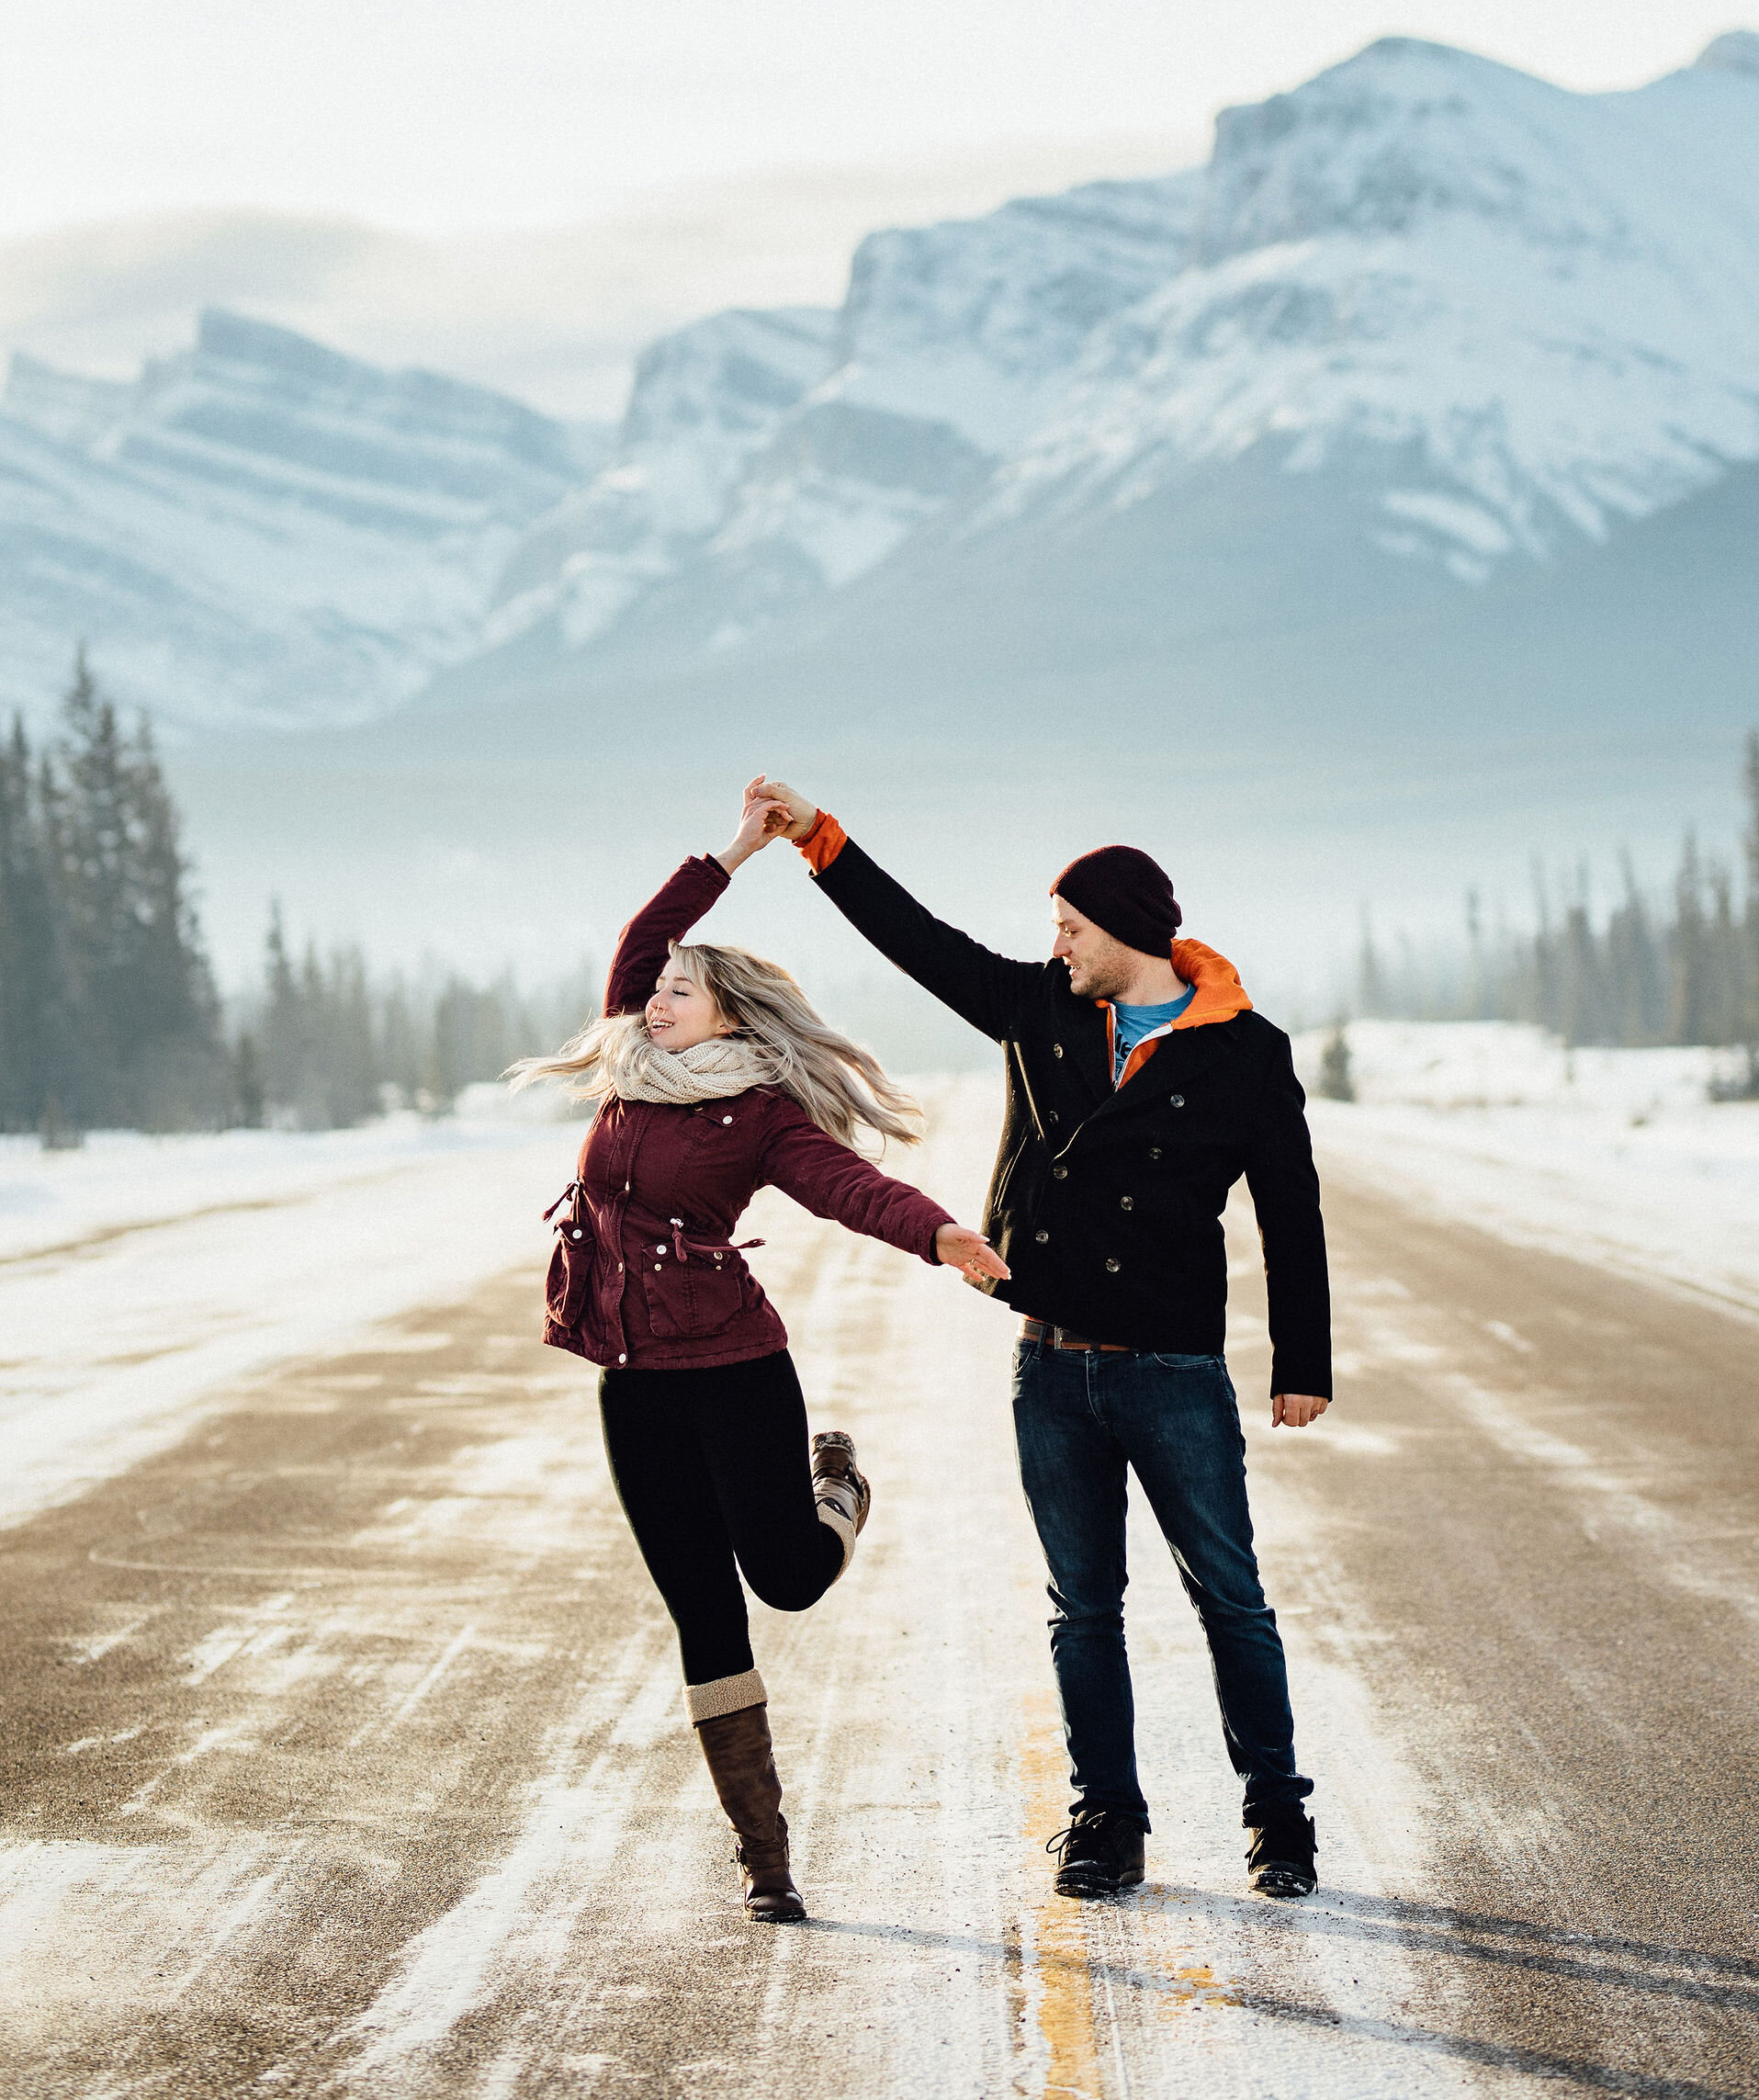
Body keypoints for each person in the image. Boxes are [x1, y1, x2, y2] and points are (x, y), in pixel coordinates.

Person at [751, 779, 1332, 1904]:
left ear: (1122, 933)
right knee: (1083, 1606)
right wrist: (819, 844)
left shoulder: (1247, 1053)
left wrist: (1299, 1364)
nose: (1054, 945)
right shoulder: (1044, 1010)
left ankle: (1276, 1817)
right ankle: (1106, 1822)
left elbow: (1289, 1210)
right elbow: (921, 945)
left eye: (1069, 928)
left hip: (1172, 1368)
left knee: (1230, 1598)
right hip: (1050, 1361)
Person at [509, 783, 1007, 1924]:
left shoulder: (764, 1112)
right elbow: (641, 941)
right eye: (658, 990)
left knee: (783, 1578)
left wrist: (937, 1233)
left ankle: (834, 1489)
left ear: (727, 1015)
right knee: (704, 1612)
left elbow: (846, 1184)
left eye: (680, 990)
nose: (656, 996)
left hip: (732, 1368)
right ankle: (766, 1858)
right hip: (632, 1383)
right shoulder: (630, 1063)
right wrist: (741, 845)